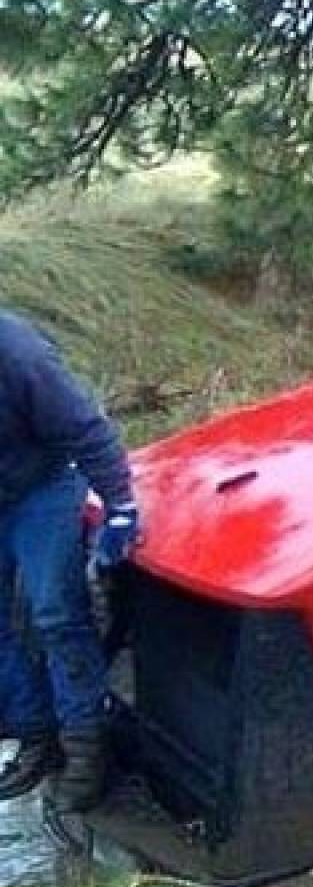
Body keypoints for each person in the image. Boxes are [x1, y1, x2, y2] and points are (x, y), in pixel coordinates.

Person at [0, 310, 139, 812]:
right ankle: (32, 733)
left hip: (44, 486)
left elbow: (88, 432)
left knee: (57, 613)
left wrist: (120, 507)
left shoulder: (18, 353)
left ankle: (86, 747)